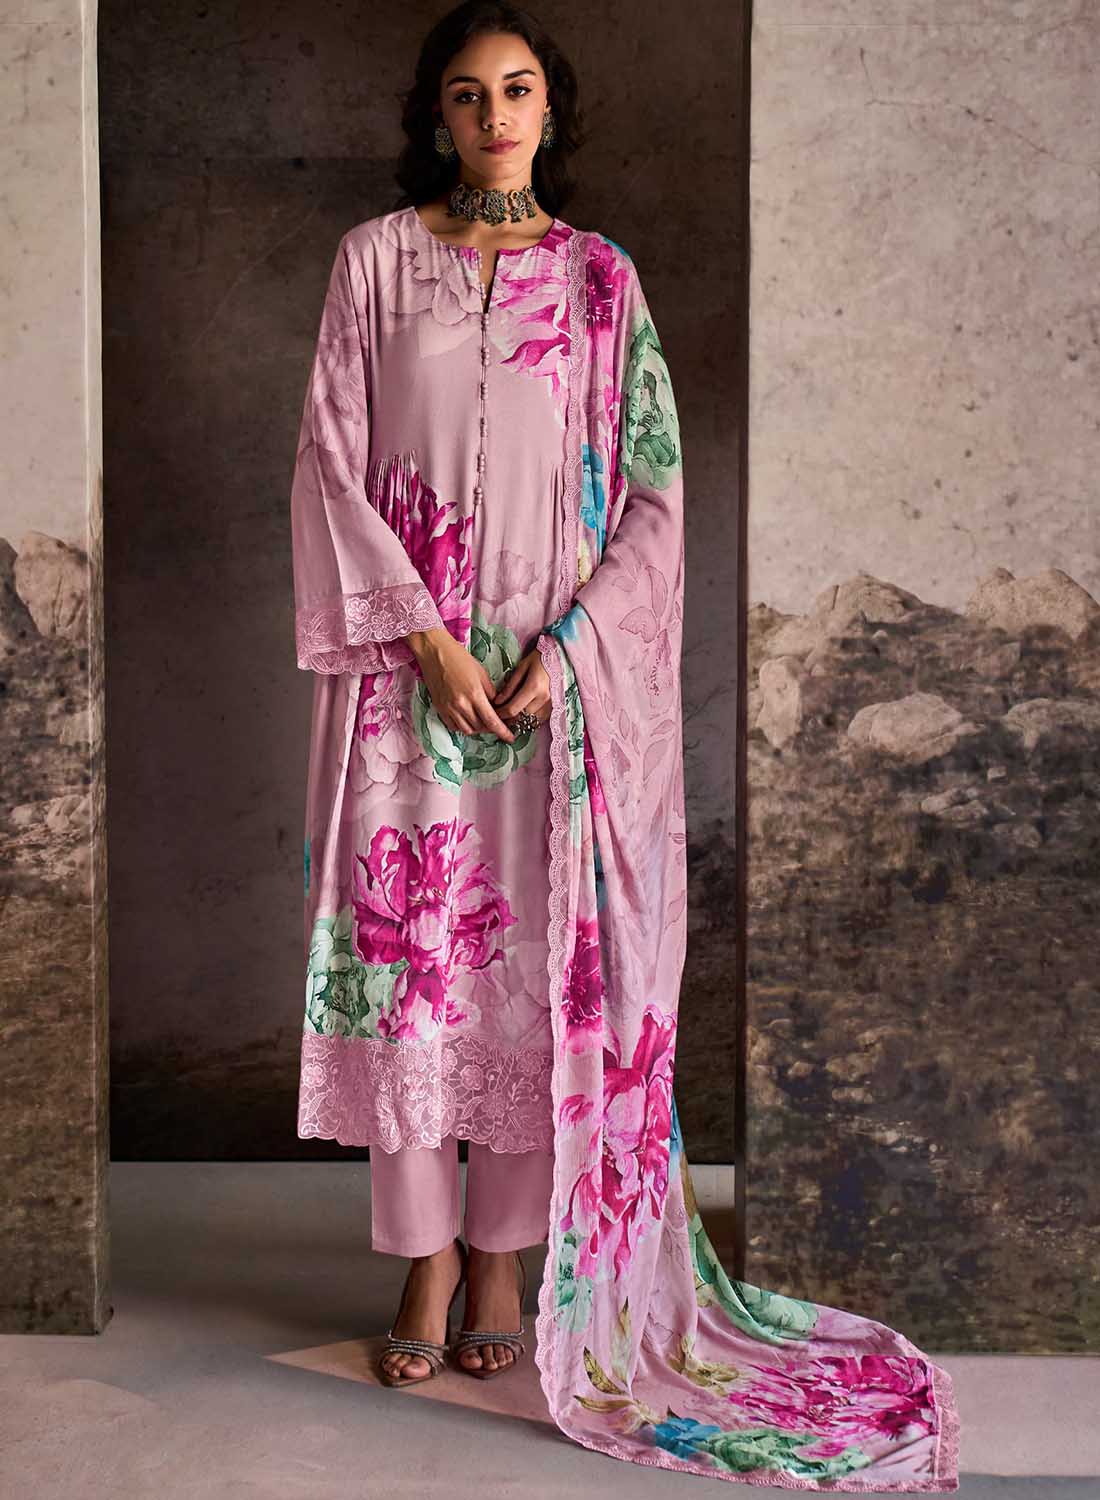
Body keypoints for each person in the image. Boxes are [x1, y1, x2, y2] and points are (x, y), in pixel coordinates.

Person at [289, 0, 961, 1486]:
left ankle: (504, 1264)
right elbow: (331, 462)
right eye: (468, 94)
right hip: (413, 684)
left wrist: (567, 650)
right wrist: (427, 639)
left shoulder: (601, 284)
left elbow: (653, 496)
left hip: (553, 695)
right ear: (436, 115)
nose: (494, 115)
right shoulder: (373, 264)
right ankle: (420, 1264)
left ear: (550, 109)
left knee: (543, 972)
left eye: (518, 89)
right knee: (416, 966)